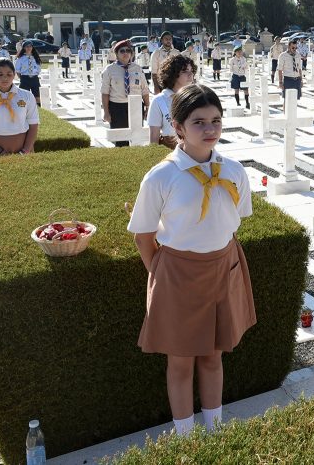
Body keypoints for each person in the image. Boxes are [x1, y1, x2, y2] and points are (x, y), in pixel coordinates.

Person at [127, 84, 255, 437]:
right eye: (198, 122)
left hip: (223, 268)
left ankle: (215, 431)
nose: (210, 129)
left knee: (213, 355)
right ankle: (184, 436)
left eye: (216, 120)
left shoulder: (234, 171)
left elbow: (235, 220)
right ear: (178, 127)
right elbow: (143, 235)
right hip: (177, 275)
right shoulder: (161, 177)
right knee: (181, 361)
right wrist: (161, 275)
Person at [100, 40, 150, 147]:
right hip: (117, 107)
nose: (125, 53)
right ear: (117, 54)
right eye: (122, 51)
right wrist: (106, 112)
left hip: (136, 107)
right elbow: (105, 93)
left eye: (128, 50)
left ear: (132, 54)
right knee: (121, 140)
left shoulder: (137, 68)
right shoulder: (109, 70)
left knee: (137, 139)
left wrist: (147, 107)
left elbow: (144, 90)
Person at [148, 54, 197, 150]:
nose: (190, 74)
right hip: (170, 150)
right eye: (184, 71)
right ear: (173, 74)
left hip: (194, 150)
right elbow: (154, 134)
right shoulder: (159, 100)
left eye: (191, 71)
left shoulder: (196, 97)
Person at [277, 39, 303, 107]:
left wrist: (301, 80)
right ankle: (286, 116)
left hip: (297, 79)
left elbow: (299, 68)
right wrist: (280, 82)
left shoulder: (298, 55)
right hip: (288, 79)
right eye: (293, 47)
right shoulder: (282, 56)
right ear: (288, 47)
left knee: (295, 100)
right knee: (287, 100)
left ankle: (293, 116)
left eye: (296, 47)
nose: (295, 49)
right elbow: (280, 70)